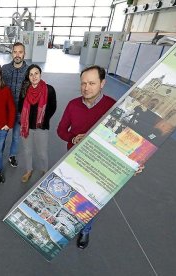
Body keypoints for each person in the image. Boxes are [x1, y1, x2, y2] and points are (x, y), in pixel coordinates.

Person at [57, 65, 116, 249]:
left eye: (92, 83)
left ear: (102, 83)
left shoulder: (112, 106)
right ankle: (67, 224)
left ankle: (85, 230)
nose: (86, 88)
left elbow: (120, 138)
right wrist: (73, 138)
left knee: (90, 202)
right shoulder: (73, 104)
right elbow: (60, 130)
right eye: (83, 83)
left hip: (99, 165)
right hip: (74, 161)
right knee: (72, 196)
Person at [18, 64, 56, 183]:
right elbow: (20, 106)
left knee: (42, 153)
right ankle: (29, 170)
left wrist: (43, 120)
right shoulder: (25, 89)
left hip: (41, 127)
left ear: (40, 74)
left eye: (36, 73)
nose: (34, 76)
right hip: (27, 127)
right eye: (31, 74)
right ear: (28, 77)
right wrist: (26, 119)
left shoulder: (49, 89)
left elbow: (52, 107)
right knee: (27, 151)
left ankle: (45, 170)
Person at [2, 42, 29, 168]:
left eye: (20, 52)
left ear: (24, 54)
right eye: (15, 52)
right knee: (1, 136)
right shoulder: (4, 69)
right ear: (11, 53)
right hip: (5, 111)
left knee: (16, 138)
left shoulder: (29, 71)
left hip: (21, 111)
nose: (17, 54)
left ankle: (12, 156)